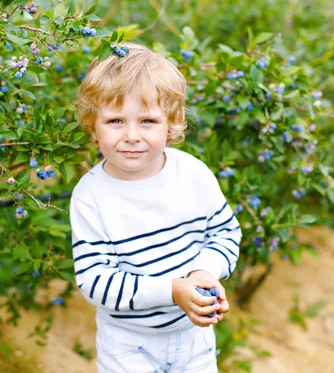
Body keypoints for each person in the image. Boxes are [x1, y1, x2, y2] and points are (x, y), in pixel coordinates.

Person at [70, 43, 242, 372]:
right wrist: (171, 290)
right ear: (93, 124)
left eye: (148, 120)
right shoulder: (91, 196)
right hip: (127, 342)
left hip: (193, 337)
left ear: (172, 121)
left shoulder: (192, 174)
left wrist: (203, 273)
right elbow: (95, 280)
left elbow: (224, 232)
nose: (132, 135)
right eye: (116, 121)